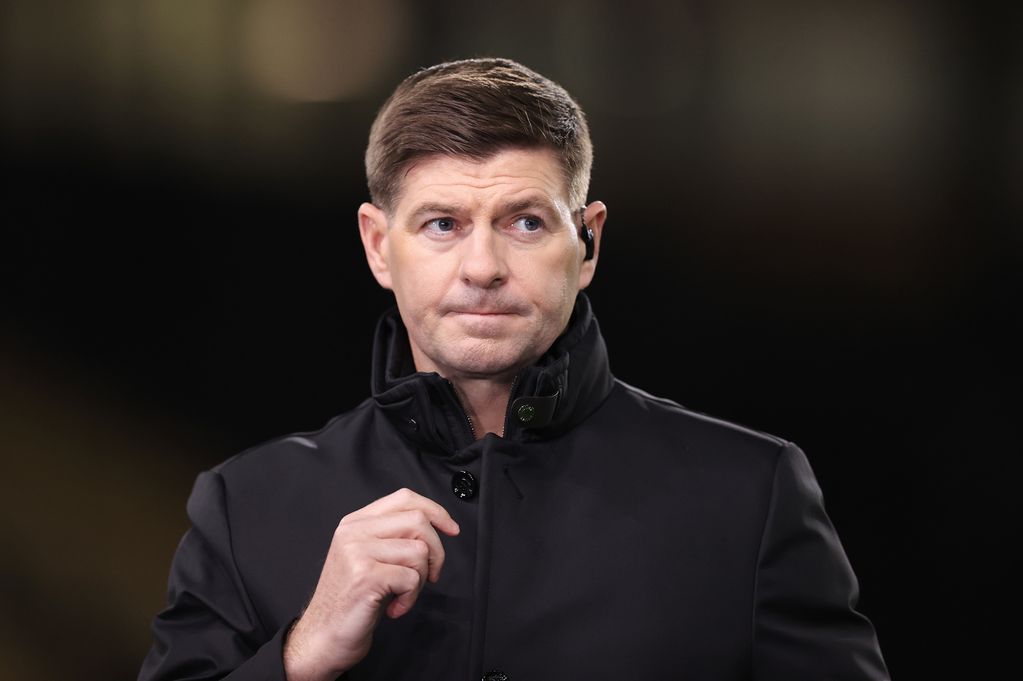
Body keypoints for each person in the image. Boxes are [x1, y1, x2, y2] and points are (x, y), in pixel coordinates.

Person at [139, 57, 889, 681]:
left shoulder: (749, 495)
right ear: (377, 247)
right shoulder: (244, 506)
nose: (483, 267)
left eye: (525, 222)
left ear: (587, 243)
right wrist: (301, 654)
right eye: (442, 224)